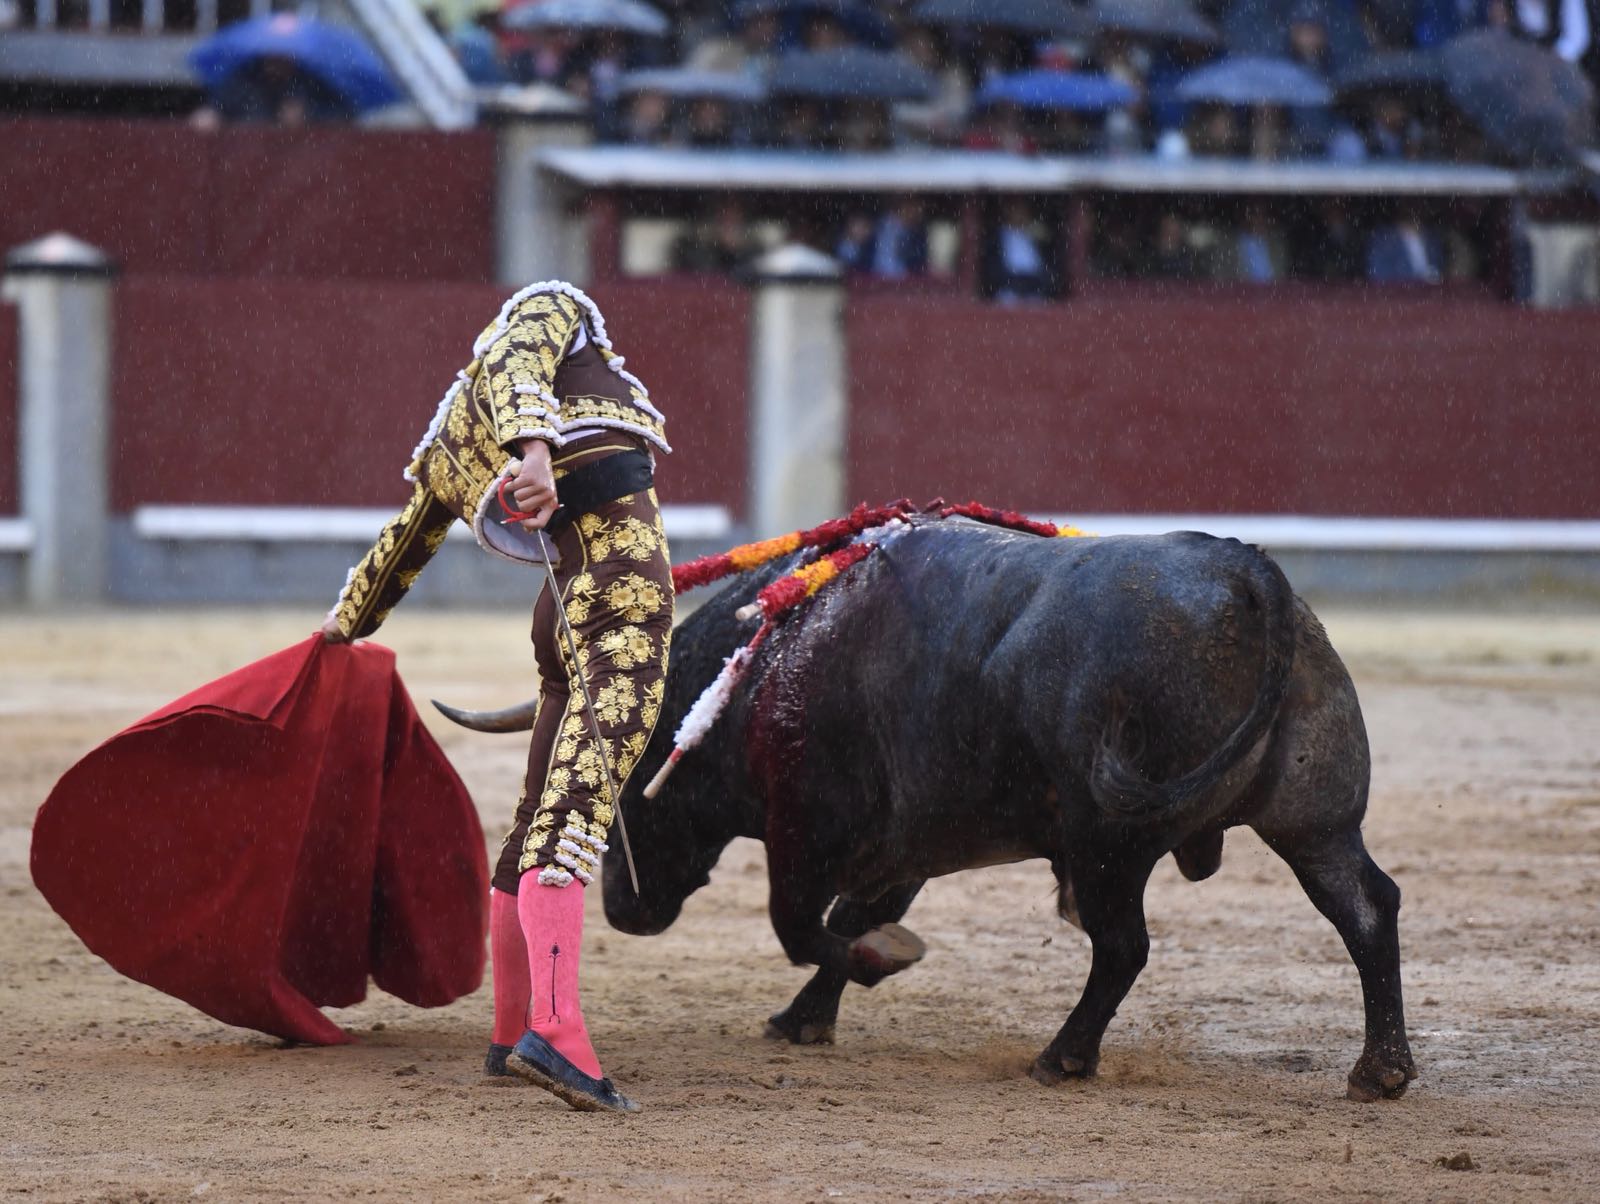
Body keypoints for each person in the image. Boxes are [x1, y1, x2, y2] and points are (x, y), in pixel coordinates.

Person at [321, 282, 673, 1113]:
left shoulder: (452, 438)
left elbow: (401, 546)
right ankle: (553, 1031)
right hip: (618, 588)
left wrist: (340, 627)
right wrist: (535, 450)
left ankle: (512, 1027)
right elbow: (520, 360)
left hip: (563, 599)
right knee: (574, 807)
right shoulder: (549, 308)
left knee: (537, 808)